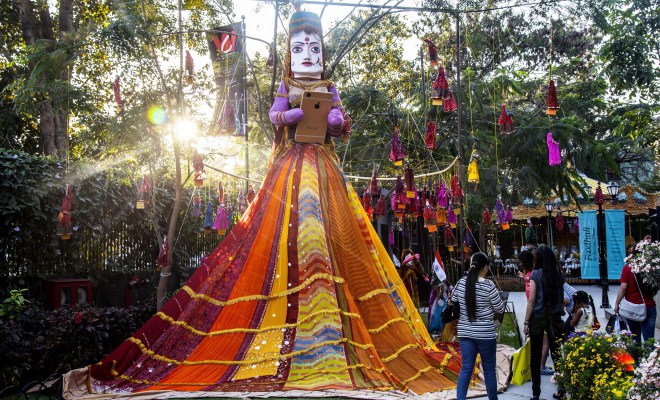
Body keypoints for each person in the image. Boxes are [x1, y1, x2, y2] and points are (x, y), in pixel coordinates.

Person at [77, 8, 460, 396]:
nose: (307, 54)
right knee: (296, 237)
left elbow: (343, 121)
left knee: (332, 241)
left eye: (314, 46)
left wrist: (335, 121)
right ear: (290, 52)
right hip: (292, 170)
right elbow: (276, 115)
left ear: (323, 52)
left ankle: (329, 334)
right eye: (299, 47)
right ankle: (300, 337)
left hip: (325, 171)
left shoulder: (329, 84)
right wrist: (294, 111)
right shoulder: (286, 84)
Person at [452, 252, 505, 400]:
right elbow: (500, 308)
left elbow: (454, 301)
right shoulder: (488, 285)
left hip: (465, 332)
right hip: (485, 334)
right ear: (485, 267)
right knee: (489, 369)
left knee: (466, 368)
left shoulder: (461, 282)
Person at [523, 245, 566, 400]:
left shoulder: (535, 274)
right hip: (554, 317)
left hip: (538, 317)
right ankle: (561, 389)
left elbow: (532, 300)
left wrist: (526, 321)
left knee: (535, 356)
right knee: (556, 355)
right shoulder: (558, 275)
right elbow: (562, 298)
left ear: (538, 258)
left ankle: (536, 393)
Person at [614, 248, 658, 344]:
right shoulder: (652, 268)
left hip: (632, 308)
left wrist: (617, 303)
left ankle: (637, 358)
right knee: (649, 340)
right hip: (649, 306)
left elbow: (623, 287)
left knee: (635, 337)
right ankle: (650, 358)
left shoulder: (628, 268)